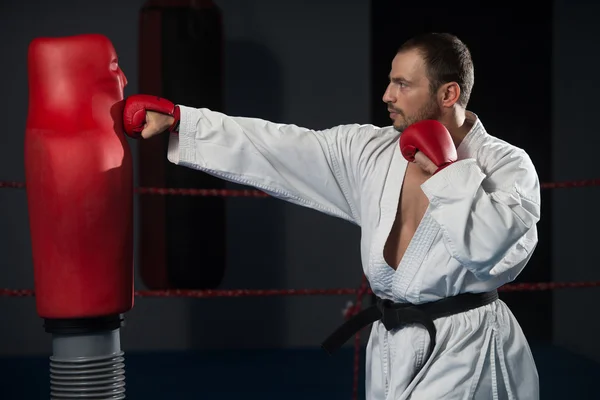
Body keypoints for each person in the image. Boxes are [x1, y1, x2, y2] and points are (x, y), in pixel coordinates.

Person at [123, 33, 540, 399]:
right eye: (390, 80)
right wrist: (182, 121)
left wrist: (452, 173)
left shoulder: (505, 165)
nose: (387, 96)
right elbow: (281, 145)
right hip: (392, 342)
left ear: (448, 94)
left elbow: (489, 249)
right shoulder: (371, 150)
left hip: (466, 346)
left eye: (402, 84)